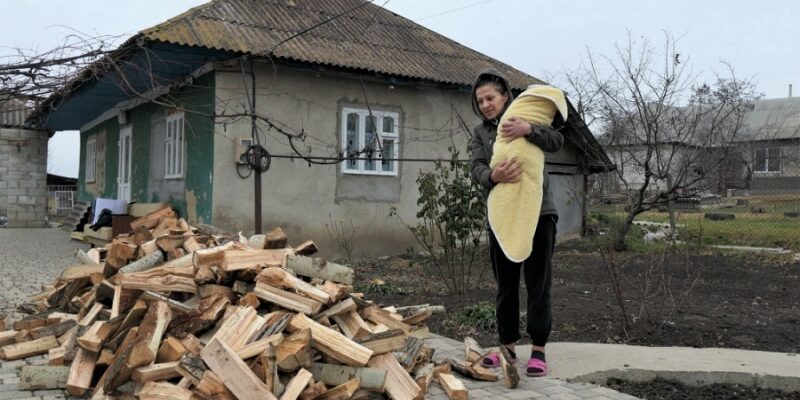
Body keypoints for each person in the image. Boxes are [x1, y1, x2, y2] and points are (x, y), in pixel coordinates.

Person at [470, 68, 564, 377]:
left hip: (540, 212)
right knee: (506, 285)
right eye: (480, 100)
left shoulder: (529, 116)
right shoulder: (481, 133)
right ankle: (507, 346)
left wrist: (528, 130)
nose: (486, 104)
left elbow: (556, 140)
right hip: (503, 214)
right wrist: (492, 176)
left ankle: (539, 350)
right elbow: (476, 167)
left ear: (505, 96)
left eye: (490, 97)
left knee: (539, 283)